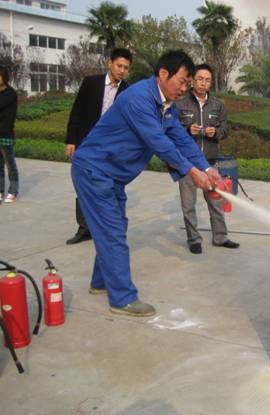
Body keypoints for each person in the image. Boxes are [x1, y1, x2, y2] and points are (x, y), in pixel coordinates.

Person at [71, 51, 220, 317]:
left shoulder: (165, 105)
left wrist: (207, 167)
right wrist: (191, 171)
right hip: (94, 171)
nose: (184, 88)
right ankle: (122, 299)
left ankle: (100, 282)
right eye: (182, 81)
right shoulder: (139, 99)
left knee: (115, 228)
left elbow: (181, 139)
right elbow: (159, 143)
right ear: (163, 74)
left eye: (188, 83)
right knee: (113, 231)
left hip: (112, 175)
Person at [65, 48, 132, 244]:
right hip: (87, 143)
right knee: (83, 185)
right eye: (119, 66)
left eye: (126, 68)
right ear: (109, 63)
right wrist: (71, 140)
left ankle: (106, 227)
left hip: (111, 148)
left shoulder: (128, 91)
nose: (122, 70)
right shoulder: (91, 83)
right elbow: (77, 111)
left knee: (110, 186)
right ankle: (84, 228)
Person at [175, 64, 239, 254]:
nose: (203, 83)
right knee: (188, 205)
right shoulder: (180, 105)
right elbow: (171, 130)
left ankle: (220, 237)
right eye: (200, 79)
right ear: (192, 81)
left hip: (210, 163)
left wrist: (216, 132)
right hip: (188, 165)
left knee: (216, 203)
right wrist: (188, 130)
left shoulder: (218, 105)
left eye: (207, 80)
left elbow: (225, 129)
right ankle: (194, 240)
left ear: (211, 83)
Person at [0, 66, 18, 204]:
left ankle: (13, 190)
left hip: (5, 134)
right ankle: (0, 191)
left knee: (9, 164)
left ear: (4, 77)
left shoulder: (10, 93)